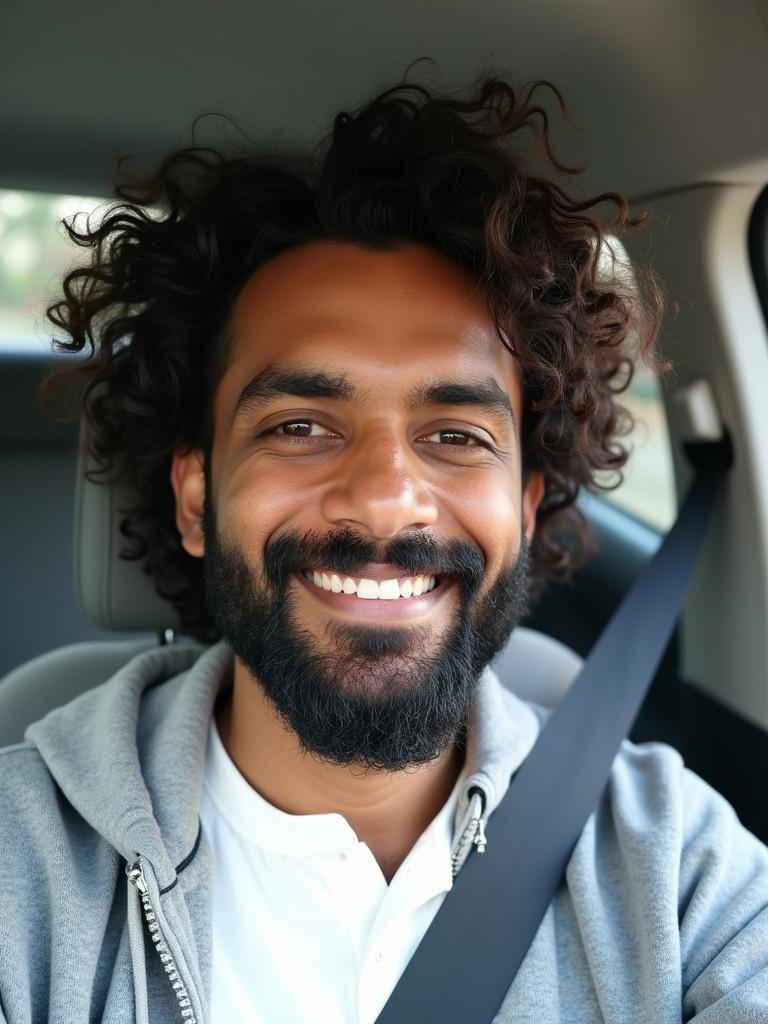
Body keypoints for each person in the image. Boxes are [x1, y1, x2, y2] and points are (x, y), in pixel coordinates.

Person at [1, 72, 767, 1024]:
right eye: (300, 425)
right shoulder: (20, 871)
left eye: (456, 435)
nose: (384, 497)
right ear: (197, 497)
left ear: (526, 509)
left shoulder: (677, 869)